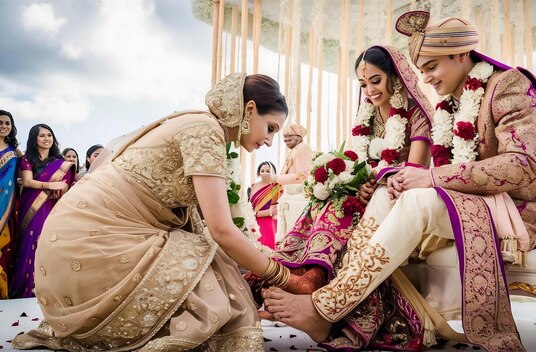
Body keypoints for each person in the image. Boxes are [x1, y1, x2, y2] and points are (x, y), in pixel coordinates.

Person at [263, 12, 536, 352]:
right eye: (422, 70)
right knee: (384, 197)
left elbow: (521, 166)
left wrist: (430, 177)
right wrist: (400, 180)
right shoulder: (453, 102)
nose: (427, 79)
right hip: (467, 201)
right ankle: (354, 309)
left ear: (462, 55)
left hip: (514, 210)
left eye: (433, 66)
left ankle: (327, 307)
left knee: (416, 200)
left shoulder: (509, 85)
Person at [10, 73, 318, 351]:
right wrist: (286, 279)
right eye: (271, 128)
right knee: (214, 286)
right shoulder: (205, 130)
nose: (269, 140)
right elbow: (221, 230)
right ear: (250, 110)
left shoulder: (194, 121)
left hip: (69, 242)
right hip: (95, 247)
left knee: (214, 270)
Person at [255, 45, 435, 351]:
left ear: (396, 77)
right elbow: (356, 161)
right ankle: (305, 275)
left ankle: (320, 301)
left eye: (376, 81)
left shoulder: (416, 113)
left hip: (401, 195)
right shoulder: (365, 115)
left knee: (358, 202)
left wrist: (376, 181)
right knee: (329, 198)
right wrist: (356, 181)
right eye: (363, 84)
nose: (369, 90)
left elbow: (415, 169)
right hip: (368, 193)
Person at [10, 123, 75, 298]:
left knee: (51, 244)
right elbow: (28, 182)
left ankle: (51, 291)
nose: (47, 139)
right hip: (33, 206)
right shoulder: (27, 159)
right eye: (42, 136)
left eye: (49, 135)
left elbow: (66, 186)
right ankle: (28, 289)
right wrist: (51, 185)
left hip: (54, 207)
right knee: (32, 242)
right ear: (34, 139)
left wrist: (61, 188)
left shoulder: (61, 163)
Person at [0, 110, 20, 299]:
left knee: (5, 249)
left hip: (6, 207)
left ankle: (3, 295)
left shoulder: (15, 152)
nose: (4, 126)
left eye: (7, 123)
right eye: (0, 123)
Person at [249, 161, 282, 249]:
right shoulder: (253, 186)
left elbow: (273, 211)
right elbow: (249, 204)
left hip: (268, 222)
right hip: (253, 222)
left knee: (266, 250)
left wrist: (256, 213)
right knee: (253, 248)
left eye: (268, 171)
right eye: (262, 171)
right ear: (258, 172)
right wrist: (252, 214)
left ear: (273, 172)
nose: (264, 173)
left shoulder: (276, 187)